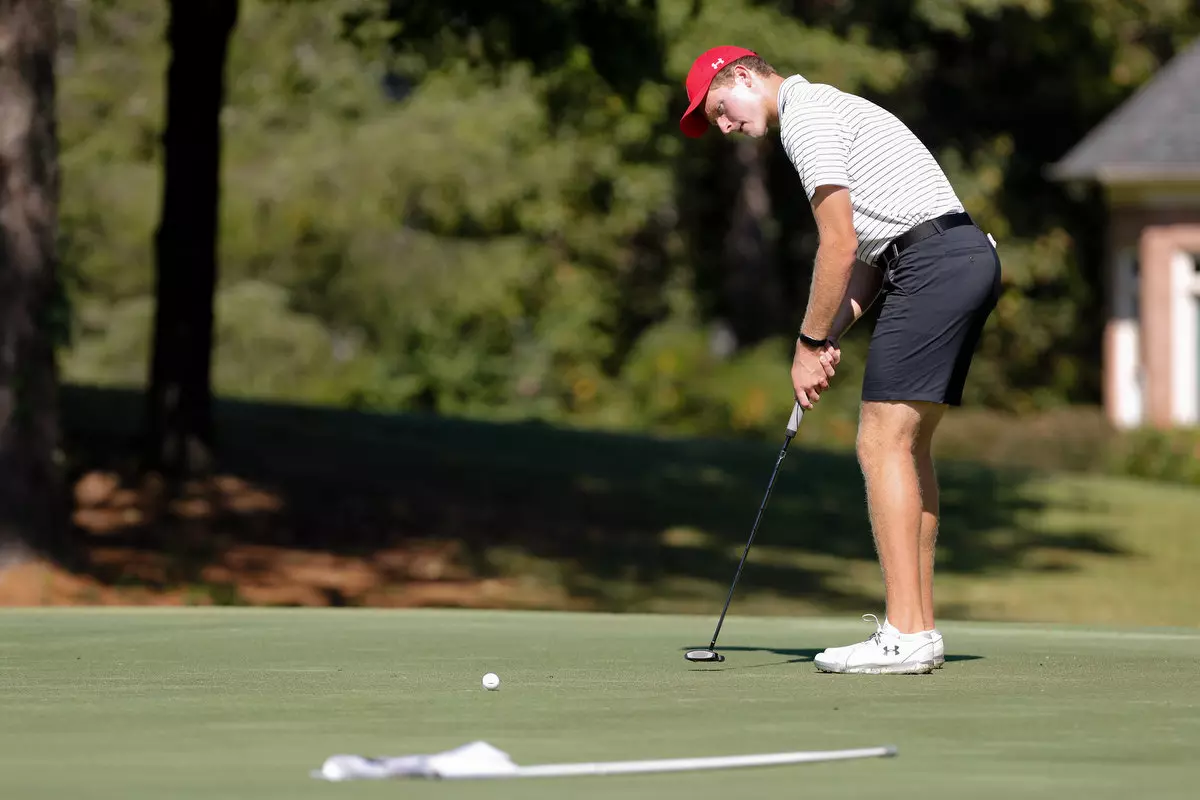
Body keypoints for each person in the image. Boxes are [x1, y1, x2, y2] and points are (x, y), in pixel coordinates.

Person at [679, 45, 1002, 675]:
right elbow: (872, 260)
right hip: (959, 259)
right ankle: (920, 629)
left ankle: (903, 634)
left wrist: (805, 345)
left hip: (933, 266)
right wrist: (826, 338)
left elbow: (839, 243)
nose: (723, 126)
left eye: (719, 109)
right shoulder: (827, 106)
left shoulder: (805, 116)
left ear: (741, 76)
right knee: (909, 446)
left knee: (879, 442)